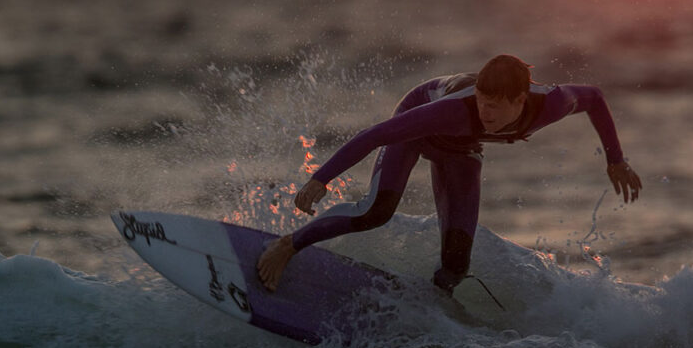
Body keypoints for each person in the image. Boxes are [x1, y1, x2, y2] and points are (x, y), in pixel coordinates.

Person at [257, 54, 641, 294]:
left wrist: (615, 160)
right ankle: (288, 245)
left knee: (457, 263)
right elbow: (376, 134)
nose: (484, 112)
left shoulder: (553, 104)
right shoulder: (453, 110)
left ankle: (434, 301)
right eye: (480, 102)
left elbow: (594, 97)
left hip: (461, 148)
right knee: (377, 212)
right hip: (418, 125)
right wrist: (320, 178)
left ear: (520, 101)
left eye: (493, 106)